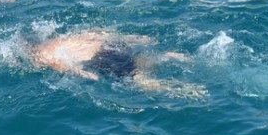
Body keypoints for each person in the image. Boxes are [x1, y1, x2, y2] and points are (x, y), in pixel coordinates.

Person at [30, 29, 205, 97]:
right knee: (136, 62)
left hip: (101, 58)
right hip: (109, 46)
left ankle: (184, 91)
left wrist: (85, 74)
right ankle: (166, 56)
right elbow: (96, 33)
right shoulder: (63, 37)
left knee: (138, 81)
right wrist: (133, 38)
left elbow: (66, 65)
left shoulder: (41, 55)